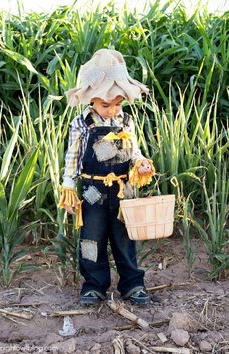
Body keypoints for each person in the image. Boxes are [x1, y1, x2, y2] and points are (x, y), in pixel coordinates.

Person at [59, 48, 155, 305]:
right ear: (91, 101)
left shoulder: (126, 121)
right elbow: (73, 157)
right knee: (91, 238)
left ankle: (133, 284)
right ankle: (94, 285)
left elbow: (133, 151)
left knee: (125, 239)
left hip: (124, 190)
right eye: (105, 104)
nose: (112, 109)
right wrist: (68, 186)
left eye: (117, 103)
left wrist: (141, 163)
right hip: (94, 191)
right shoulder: (81, 124)